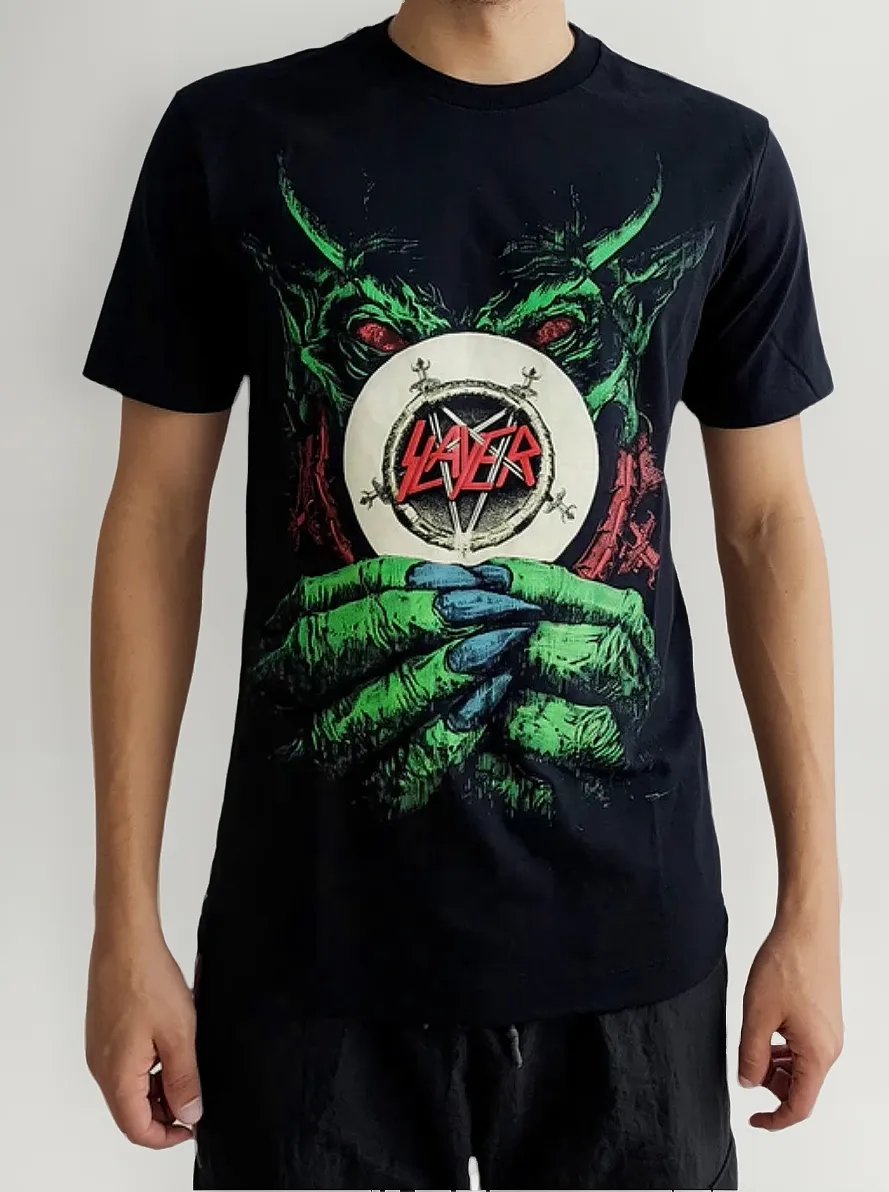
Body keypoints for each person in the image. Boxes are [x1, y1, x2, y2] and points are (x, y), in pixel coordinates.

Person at [82, 1, 843, 1188]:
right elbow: (154, 520)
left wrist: (814, 908)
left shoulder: (716, 155)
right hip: (310, 951)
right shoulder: (231, 137)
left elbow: (767, 527)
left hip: (631, 954)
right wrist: (122, 925)